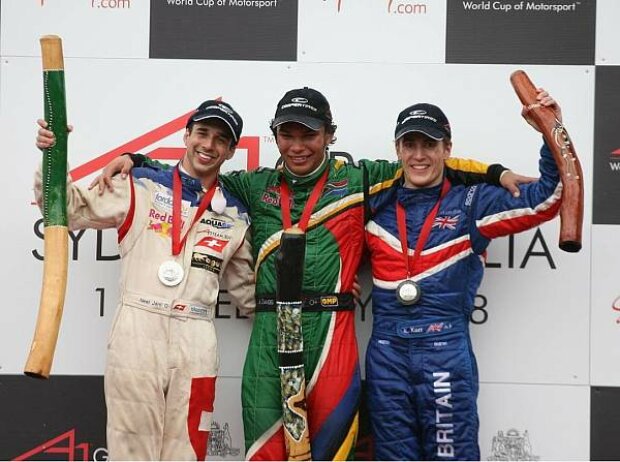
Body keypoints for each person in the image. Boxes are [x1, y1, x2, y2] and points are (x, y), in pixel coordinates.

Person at [94, 88, 531, 460]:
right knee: (265, 451)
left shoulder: (360, 178)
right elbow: (193, 173)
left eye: (310, 134)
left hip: (332, 332)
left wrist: (497, 172)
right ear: (275, 137)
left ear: (330, 135)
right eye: (288, 134)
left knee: (330, 450)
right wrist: (136, 159)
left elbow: (426, 165)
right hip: (268, 332)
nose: (298, 145)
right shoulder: (251, 185)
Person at [34, 100, 256, 461]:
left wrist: (310, 306)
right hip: (138, 327)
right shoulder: (139, 184)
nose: (208, 145)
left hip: (197, 339)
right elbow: (68, 210)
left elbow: (250, 293)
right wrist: (52, 158)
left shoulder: (234, 212)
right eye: (202, 133)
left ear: (231, 151)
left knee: (188, 451)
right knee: (131, 450)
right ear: (186, 135)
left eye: (220, 139)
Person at [363, 91, 562, 460]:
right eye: (410, 144)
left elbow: (547, 198)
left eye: (429, 144)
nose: (419, 155)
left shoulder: (473, 202)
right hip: (386, 354)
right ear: (398, 149)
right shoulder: (375, 203)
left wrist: (549, 131)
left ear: (447, 148)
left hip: (444, 351)